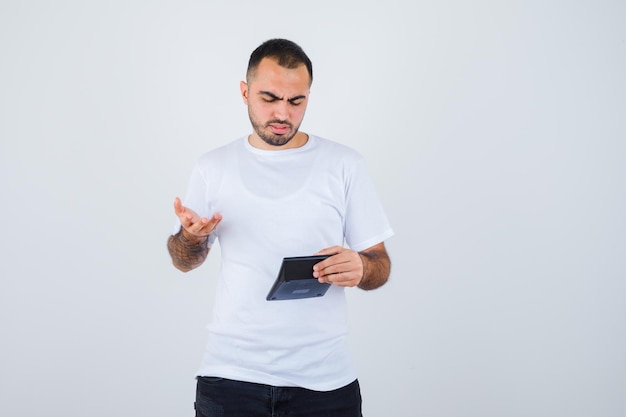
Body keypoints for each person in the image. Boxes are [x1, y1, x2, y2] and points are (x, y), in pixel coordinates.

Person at [167, 38, 394, 417]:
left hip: (325, 382)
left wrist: (362, 267)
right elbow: (183, 261)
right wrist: (191, 238)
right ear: (245, 92)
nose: (282, 114)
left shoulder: (344, 165)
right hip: (230, 378)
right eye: (269, 98)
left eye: (296, 101)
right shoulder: (213, 167)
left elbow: (379, 265)